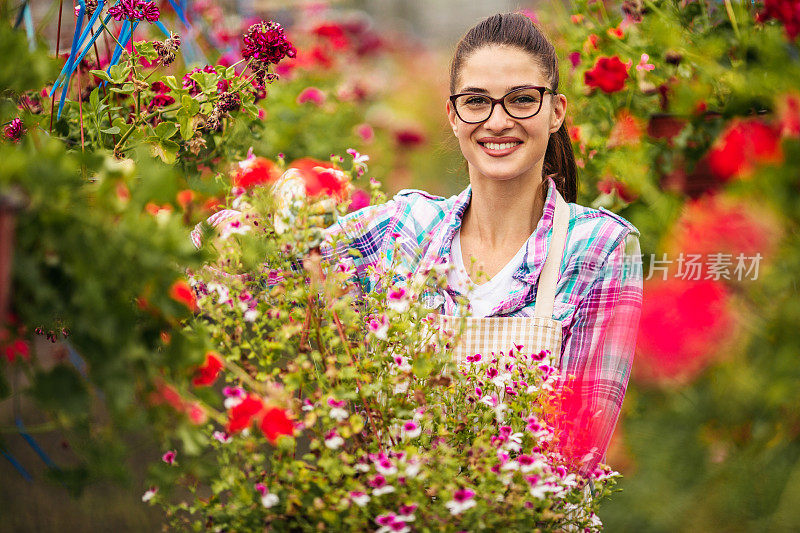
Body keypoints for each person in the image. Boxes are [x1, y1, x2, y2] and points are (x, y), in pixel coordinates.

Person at [321, 12, 643, 473]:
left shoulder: (598, 247)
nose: (497, 121)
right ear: (453, 116)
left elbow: (577, 453)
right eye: (476, 101)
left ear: (556, 112)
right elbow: (269, 267)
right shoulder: (404, 228)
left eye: (521, 100)